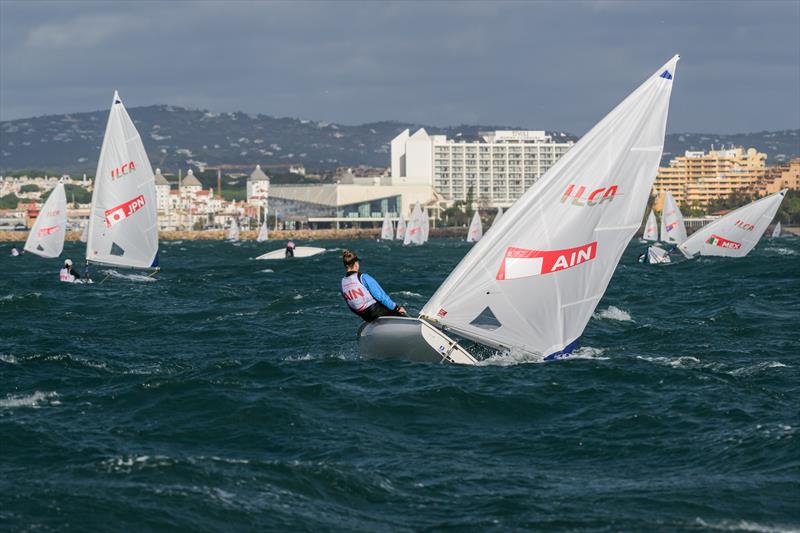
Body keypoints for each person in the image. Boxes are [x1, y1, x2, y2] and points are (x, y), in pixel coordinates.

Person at [341, 249, 407, 322]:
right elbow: (380, 296)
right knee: (401, 313)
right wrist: (397, 308)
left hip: (365, 317)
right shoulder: (363, 277)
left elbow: (351, 306)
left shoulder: (343, 283)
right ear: (356, 264)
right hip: (376, 312)